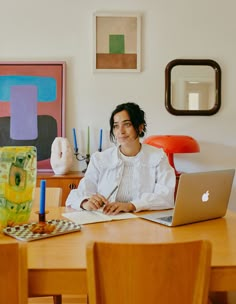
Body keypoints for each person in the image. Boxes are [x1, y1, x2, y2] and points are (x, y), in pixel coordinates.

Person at [66, 102, 176, 215]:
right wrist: (85, 202)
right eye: (116, 126)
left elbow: (166, 198)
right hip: (106, 223)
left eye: (127, 124)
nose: (121, 131)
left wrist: (131, 206)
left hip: (143, 223)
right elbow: (76, 195)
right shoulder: (100, 159)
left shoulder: (158, 157)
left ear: (140, 127)